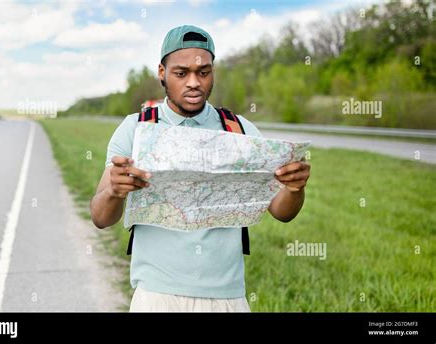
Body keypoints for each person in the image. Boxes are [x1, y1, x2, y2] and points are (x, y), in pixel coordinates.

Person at [90, 25, 311, 312]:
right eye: (181, 73)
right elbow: (100, 217)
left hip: (227, 297)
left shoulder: (240, 129)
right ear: (162, 72)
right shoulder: (136, 129)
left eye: (203, 72)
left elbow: (282, 213)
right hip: (156, 295)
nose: (194, 82)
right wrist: (114, 192)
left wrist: (294, 188)